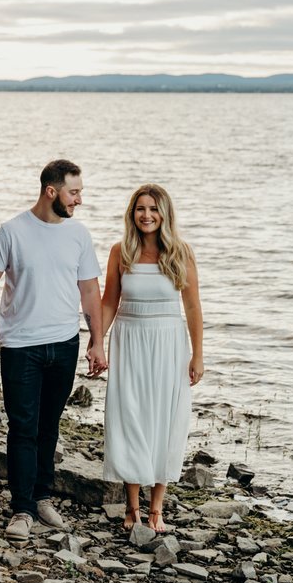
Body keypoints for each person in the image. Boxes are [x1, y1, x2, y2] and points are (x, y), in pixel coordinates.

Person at [0, 159, 107, 546]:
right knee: (23, 428)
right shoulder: (11, 232)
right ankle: (22, 509)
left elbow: (89, 291)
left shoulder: (78, 235)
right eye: (74, 192)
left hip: (65, 344)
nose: (79, 200)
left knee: (50, 426)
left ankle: (42, 498)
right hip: (20, 346)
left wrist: (97, 341)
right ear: (52, 192)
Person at [101, 183, 204, 533]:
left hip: (168, 345)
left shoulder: (181, 253)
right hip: (128, 341)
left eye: (153, 209)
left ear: (165, 213)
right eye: (140, 209)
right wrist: (96, 343)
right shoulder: (121, 252)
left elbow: (192, 307)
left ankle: (157, 509)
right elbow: (108, 302)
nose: (147, 215)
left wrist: (197, 356)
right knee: (131, 418)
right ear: (133, 214)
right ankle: (132, 507)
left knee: (163, 420)